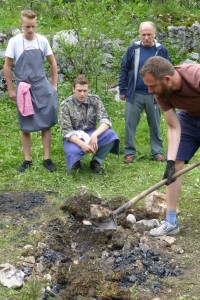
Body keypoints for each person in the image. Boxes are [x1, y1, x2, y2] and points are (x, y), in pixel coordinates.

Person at [140, 56, 200, 237]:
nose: (149, 91)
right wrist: (170, 161)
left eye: (152, 86)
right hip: (189, 118)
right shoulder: (161, 93)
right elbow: (174, 127)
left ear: (167, 79)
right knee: (175, 168)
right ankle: (171, 221)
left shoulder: (196, 76)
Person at [4, 10, 58, 172]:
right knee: (25, 124)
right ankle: (27, 159)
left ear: (36, 25)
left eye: (33, 26)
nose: (30, 30)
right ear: (21, 24)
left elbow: (53, 63)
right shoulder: (14, 42)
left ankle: (47, 158)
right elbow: (7, 66)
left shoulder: (42, 41)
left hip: (42, 86)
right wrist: (11, 89)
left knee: (46, 122)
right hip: (24, 88)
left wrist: (53, 86)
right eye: (27, 26)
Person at [119, 21, 171, 164]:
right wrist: (122, 89)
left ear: (154, 34)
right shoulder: (133, 49)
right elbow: (124, 68)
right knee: (130, 123)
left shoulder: (161, 50)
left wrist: (166, 91)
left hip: (154, 95)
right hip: (134, 93)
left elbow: (169, 70)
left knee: (155, 124)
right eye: (143, 34)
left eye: (149, 34)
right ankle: (129, 153)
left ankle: (156, 152)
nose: (146, 37)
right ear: (139, 34)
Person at [60, 75, 120, 174]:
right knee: (72, 151)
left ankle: (96, 161)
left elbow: (105, 120)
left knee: (111, 135)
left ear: (88, 90)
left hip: (91, 132)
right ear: (73, 89)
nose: (82, 94)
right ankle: (76, 162)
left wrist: (95, 135)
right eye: (79, 90)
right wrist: (82, 144)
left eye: (85, 91)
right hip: (74, 136)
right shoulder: (65, 105)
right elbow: (66, 131)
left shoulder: (95, 100)